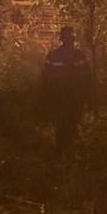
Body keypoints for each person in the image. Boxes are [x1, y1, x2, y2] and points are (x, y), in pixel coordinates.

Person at [41, 26, 93, 156]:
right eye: (68, 38)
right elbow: (46, 77)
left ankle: (66, 152)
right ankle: (63, 152)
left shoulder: (77, 55)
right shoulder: (55, 56)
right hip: (61, 97)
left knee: (69, 123)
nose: (70, 41)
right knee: (64, 124)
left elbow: (87, 76)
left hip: (72, 96)